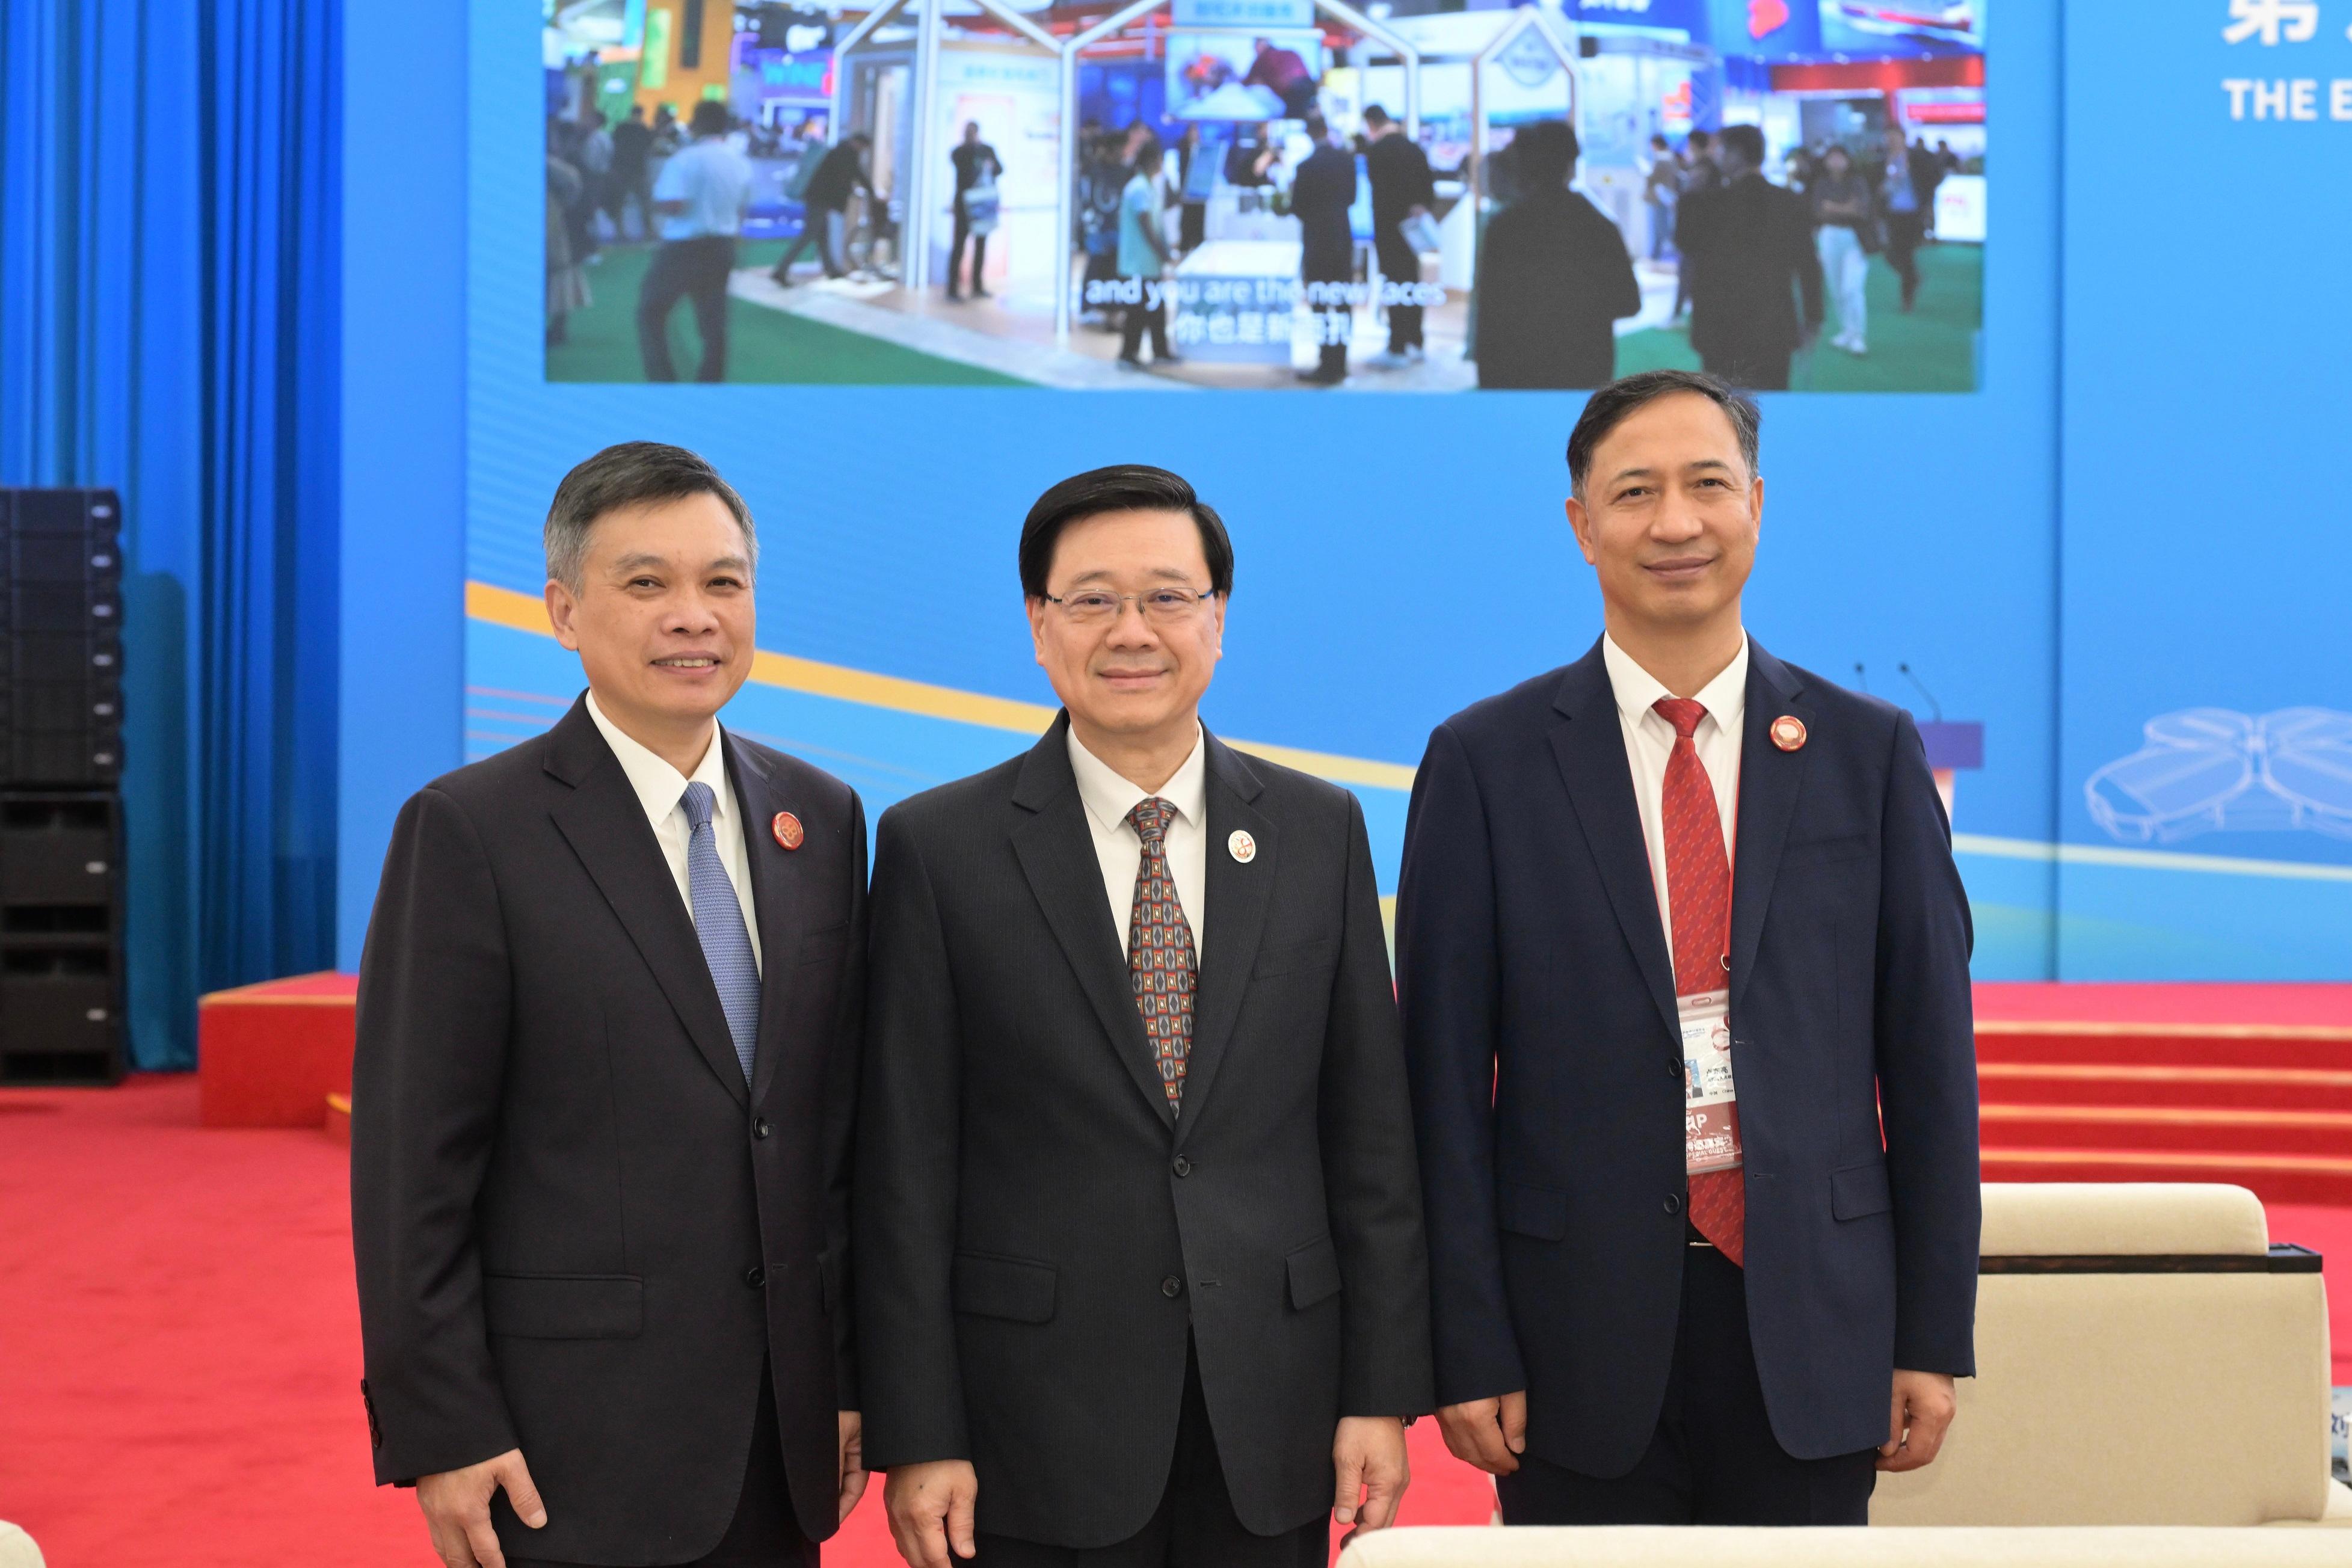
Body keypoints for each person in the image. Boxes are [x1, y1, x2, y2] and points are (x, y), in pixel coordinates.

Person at [1397, 369, 1980, 1528]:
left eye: (1707, 484)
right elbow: (1441, 1091)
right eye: (1636, 491)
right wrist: (1465, 1341)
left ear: (1755, 503)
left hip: (1814, 1325)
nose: (1675, 522)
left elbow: (1930, 1066)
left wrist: (1929, 1331)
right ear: (1582, 525)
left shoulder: (1867, 755)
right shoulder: (1486, 762)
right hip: (1573, 1340)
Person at [857, 464, 1433, 1568]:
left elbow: (1371, 1142)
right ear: (1039, 624)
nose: (1133, 631)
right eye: (1092, 599)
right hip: (1032, 1421)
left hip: (1275, 1410)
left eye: (1169, 597)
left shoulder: (1321, 830)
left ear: (1217, 619)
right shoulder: (941, 847)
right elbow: (905, 1167)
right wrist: (921, 1431)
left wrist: (1380, 1395)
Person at [352, 442, 872, 1568]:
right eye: (647, 584)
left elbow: (827, 1137)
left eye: (722, 582)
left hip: (777, 1441)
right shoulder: (472, 831)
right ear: (563, 610)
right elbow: (414, 1167)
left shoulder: (820, 818)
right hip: (566, 1446)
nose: (694, 615)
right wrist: (446, 1424)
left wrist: (845, 1376)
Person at [1470, 120, 1639, 391]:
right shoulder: (1598, 225)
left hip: (1516, 372)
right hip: (1583, 369)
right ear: (1572, 164)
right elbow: (1629, 302)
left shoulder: (1504, 227)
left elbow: (1491, 312)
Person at [1673, 125, 1821, 390]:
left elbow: (1685, 243)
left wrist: (1689, 193)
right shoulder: (1788, 202)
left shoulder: (1710, 203)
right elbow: (1809, 265)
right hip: (1773, 324)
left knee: (1723, 413)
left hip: (1720, 326)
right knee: (1771, 410)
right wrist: (1813, 316)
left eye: (1721, 150)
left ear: (1736, 154)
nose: (1716, 157)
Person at [635, 100, 752, 383]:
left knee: (651, 312)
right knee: (713, 321)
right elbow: (742, 208)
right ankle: (711, 381)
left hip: (683, 247)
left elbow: (674, 204)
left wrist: (656, 205)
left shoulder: (685, 159)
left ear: (695, 123)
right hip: (722, 245)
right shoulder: (739, 161)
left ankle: (663, 380)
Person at [1361, 105, 1436, 368]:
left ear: (1371, 123)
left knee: (1394, 283)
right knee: (1412, 282)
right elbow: (1428, 185)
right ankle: (1416, 341)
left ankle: (1398, 345)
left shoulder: (1379, 151)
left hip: (1389, 228)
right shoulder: (1413, 147)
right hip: (1411, 229)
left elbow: (1380, 193)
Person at [1291, 115, 1356, 386]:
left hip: (1317, 242)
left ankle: (1325, 364)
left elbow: (1297, 208)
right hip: (1342, 239)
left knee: (1320, 302)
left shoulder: (1306, 167)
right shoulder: (1346, 161)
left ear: (1309, 132)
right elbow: (1352, 198)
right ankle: (1340, 363)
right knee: (1342, 302)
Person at [771, 133, 875, 285]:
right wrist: (870, 191)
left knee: (822, 236)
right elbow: (852, 175)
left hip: (818, 199)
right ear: (859, 143)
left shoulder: (840, 151)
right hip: (820, 201)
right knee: (809, 235)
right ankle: (781, 270)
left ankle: (831, 269)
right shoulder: (846, 154)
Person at [1115, 140, 1178, 370]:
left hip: (1148, 264)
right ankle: (1127, 355)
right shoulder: (1139, 188)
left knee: (1155, 309)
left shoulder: (1149, 187)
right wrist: (1163, 253)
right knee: (1137, 313)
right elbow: (1146, 226)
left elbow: (1157, 224)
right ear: (1153, 161)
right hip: (1137, 264)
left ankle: (1160, 351)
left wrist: (1165, 253)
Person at [1809, 144, 1875, 355]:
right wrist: (1845, 207)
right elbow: (1818, 211)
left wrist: (1833, 207)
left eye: (1840, 157)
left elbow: (1859, 210)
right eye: (1832, 157)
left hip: (1854, 237)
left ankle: (1858, 336)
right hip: (1828, 235)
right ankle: (1847, 330)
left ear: (1848, 160)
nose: (1836, 161)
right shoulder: (1821, 184)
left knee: (1852, 288)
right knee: (1836, 288)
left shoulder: (1857, 182)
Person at [1876, 125, 1940, 312]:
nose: (1892, 141)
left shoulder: (1917, 158)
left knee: (1906, 253)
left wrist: (1927, 198)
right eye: (1889, 137)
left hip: (1913, 213)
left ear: (1903, 137)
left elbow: (1934, 175)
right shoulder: (1884, 161)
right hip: (1892, 213)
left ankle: (1907, 297)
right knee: (1893, 254)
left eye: (1895, 137)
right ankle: (1913, 279)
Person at [947, 121, 1003, 301]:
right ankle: (952, 289)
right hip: (964, 205)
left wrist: (989, 164)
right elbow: (963, 170)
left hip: (982, 205)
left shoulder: (987, 150)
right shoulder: (959, 152)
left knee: (981, 246)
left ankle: (977, 286)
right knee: (959, 248)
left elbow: (1000, 170)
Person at [1668, 129, 1719, 323]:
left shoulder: (1704, 167)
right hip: (1699, 231)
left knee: (1689, 273)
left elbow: (1693, 196)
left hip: (1695, 231)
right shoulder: (1704, 166)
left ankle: (1681, 313)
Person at [546, 154, 590, 347]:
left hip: (550, 214)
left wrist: (564, 204)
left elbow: (571, 180)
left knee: (558, 269)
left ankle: (558, 326)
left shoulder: (545, 163)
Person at [607, 104, 656, 240]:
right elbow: (650, 147)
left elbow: (614, 146)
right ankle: (649, 230)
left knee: (620, 201)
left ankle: (620, 231)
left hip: (622, 168)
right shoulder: (644, 130)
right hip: (637, 169)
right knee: (644, 201)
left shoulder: (621, 128)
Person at [1242, 36, 1318, 119]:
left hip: (1293, 93)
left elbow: (1246, 82)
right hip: (1310, 87)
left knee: (1293, 119)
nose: (1255, 51)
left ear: (1259, 46)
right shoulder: (1290, 52)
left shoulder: (1261, 60)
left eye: (1255, 47)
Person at [1643, 133, 1679, 262]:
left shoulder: (1662, 158)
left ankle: (1672, 251)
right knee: (1659, 227)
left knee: (1661, 226)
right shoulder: (1670, 157)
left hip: (1662, 197)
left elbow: (1653, 177)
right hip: (1666, 196)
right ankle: (1655, 254)